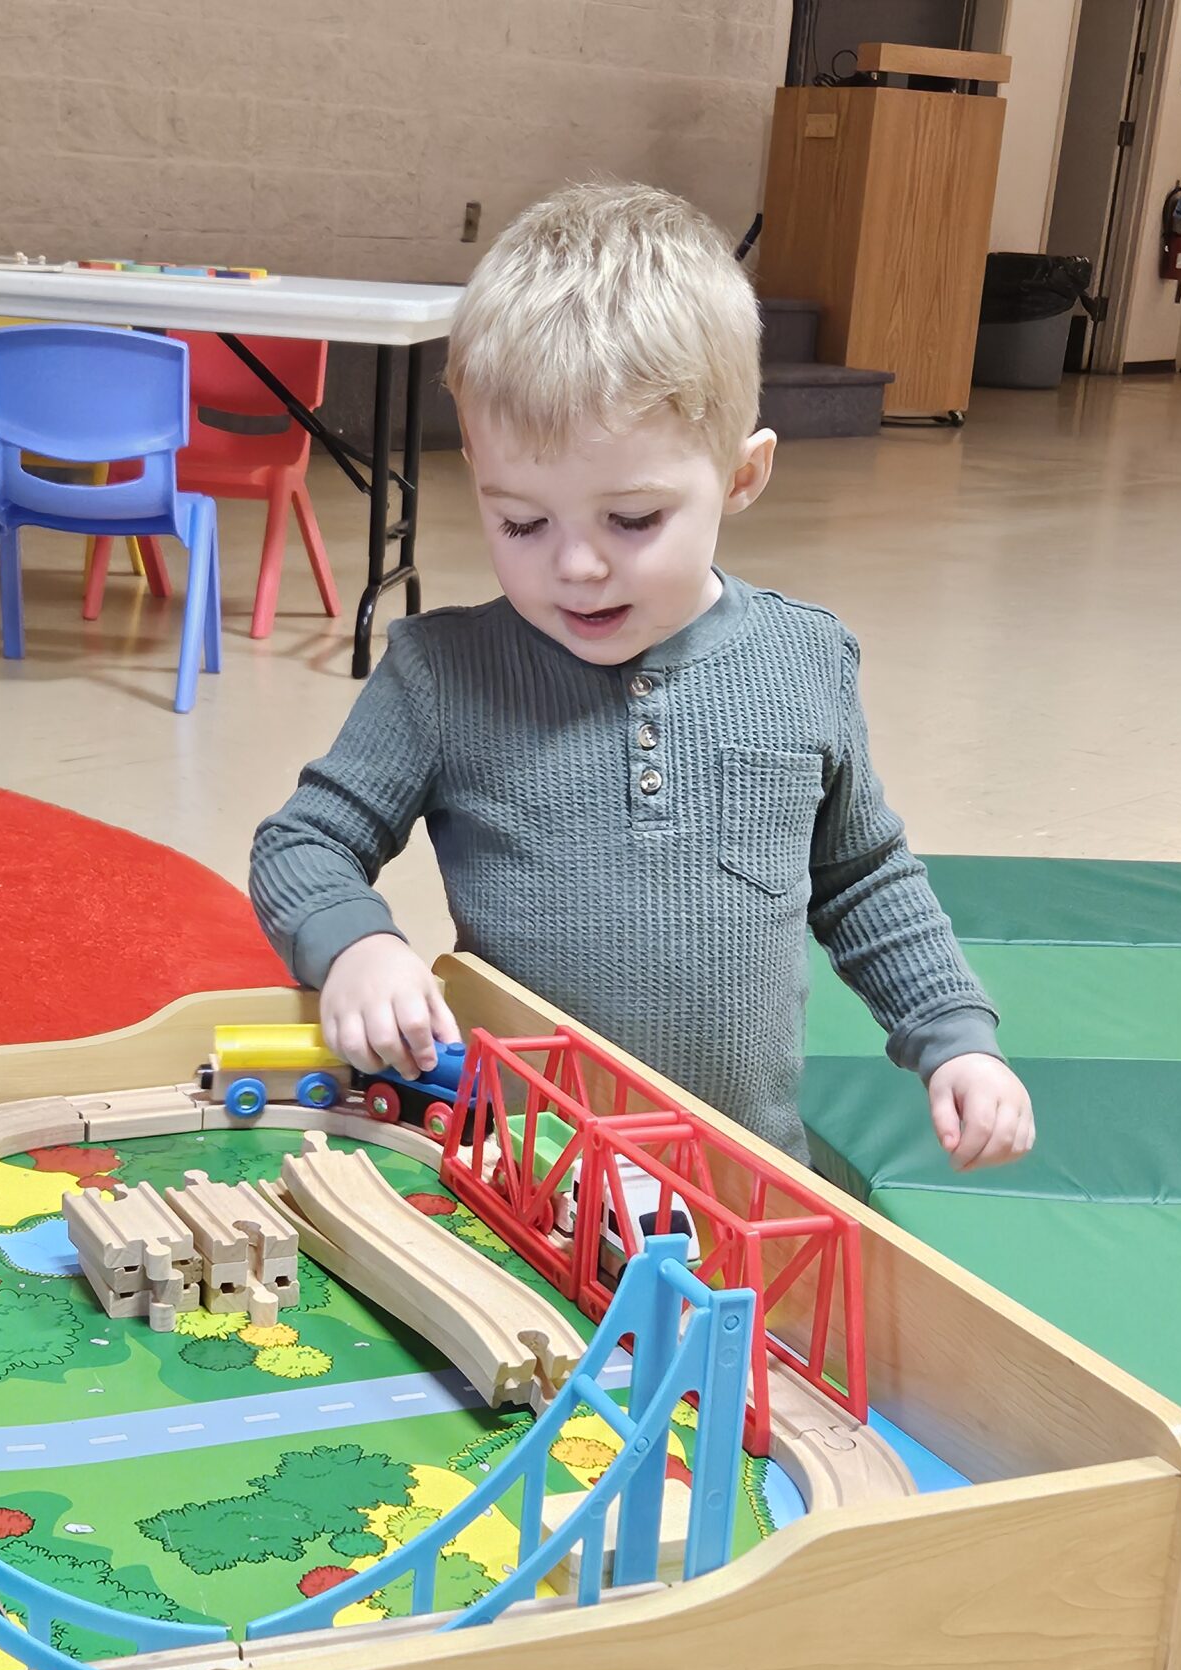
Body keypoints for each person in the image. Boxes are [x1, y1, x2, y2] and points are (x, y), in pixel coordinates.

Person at [248, 182, 1034, 1171]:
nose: (574, 566)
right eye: (521, 523)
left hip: (738, 1167)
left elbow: (862, 877)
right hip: (527, 1173)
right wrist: (357, 947)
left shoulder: (805, 661)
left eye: (631, 520)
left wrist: (954, 1039)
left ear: (741, 477)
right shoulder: (440, 674)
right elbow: (301, 846)